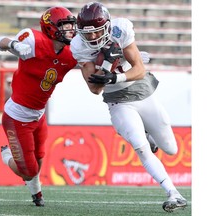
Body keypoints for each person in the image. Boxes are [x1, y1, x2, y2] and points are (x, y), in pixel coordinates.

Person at [70, 2, 187, 213]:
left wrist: (114, 76)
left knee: (171, 148)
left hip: (141, 91)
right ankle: (173, 193)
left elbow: (140, 69)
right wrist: (105, 65)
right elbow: (95, 89)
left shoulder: (120, 29)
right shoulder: (79, 45)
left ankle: (151, 136)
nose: (93, 38)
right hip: (118, 101)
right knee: (140, 146)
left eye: (97, 32)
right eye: (88, 35)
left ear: (106, 26)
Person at [0, 6, 77, 206]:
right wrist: (13, 43)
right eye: (65, 26)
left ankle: (36, 195)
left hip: (38, 115)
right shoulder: (33, 40)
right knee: (28, 170)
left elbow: (96, 60)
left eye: (71, 26)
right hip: (17, 117)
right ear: (51, 28)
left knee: (38, 160)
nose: (71, 30)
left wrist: (123, 60)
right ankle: (6, 155)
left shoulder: (71, 53)